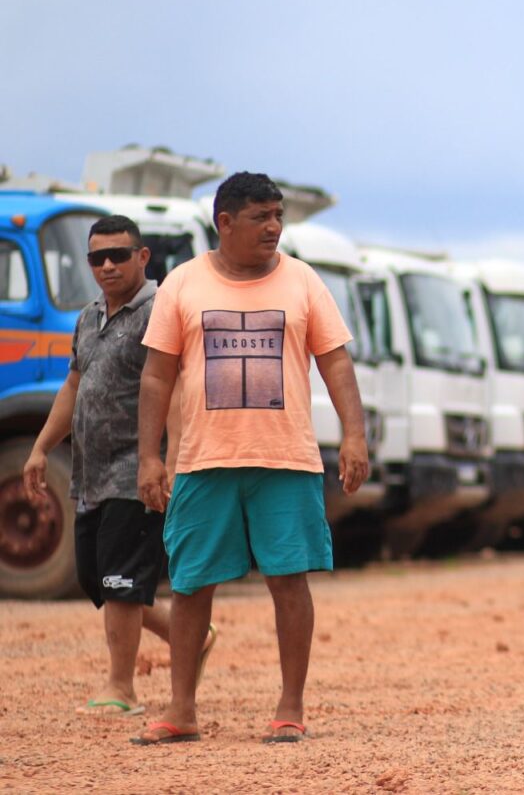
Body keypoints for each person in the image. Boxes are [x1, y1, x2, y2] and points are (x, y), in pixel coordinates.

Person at [129, 172, 369, 746]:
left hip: (285, 459)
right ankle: (181, 710)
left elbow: (336, 362)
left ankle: (290, 707)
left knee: (289, 580)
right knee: (191, 584)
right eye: (261, 217)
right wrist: (149, 458)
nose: (274, 227)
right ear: (225, 222)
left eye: (278, 216)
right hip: (202, 460)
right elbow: (157, 376)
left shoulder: (303, 281)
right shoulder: (183, 284)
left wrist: (355, 436)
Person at [23, 214, 215, 717]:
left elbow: (174, 389)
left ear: (142, 256)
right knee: (95, 578)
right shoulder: (88, 317)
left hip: (137, 471)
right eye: (97, 257)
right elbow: (74, 384)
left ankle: (121, 687)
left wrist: (168, 461)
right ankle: (189, 635)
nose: (107, 266)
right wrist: (41, 447)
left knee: (121, 582)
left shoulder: (160, 311)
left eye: (118, 255)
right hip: (92, 472)